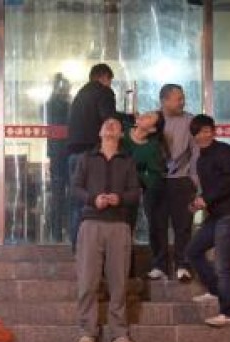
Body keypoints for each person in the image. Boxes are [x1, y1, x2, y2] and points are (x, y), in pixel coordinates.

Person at [72, 116, 140, 342]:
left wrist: (119, 198)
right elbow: (75, 188)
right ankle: (87, 333)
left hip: (119, 225)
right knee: (87, 281)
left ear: (121, 134)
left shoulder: (128, 161)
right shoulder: (86, 159)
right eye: (106, 124)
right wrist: (93, 199)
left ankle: (119, 334)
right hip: (91, 223)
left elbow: (135, 193)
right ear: (100, 132)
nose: (110, 126)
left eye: (116, 125)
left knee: (119, 283)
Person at [185, 115, 230, 328]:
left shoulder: (224, 151)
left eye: (210, 129)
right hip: (216, 215)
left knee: (223, 263)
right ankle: (214, 290)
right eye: (202, 131)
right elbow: (209, 189)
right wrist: (198, 202)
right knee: (193, 251)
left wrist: (207, 198)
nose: (208, 134)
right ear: (194, 136)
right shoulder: (201, 159)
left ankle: (228, 312)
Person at [66, 63, 118, 253]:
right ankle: (90, 249)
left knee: (77, 202)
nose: (110, 84)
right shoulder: (103, 92)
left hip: (72, 155)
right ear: (104, 77)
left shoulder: (79, 95)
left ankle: (76, 247)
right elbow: (109, 120)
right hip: (91, 154)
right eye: (110, 80)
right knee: (93, 203)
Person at [150, 84, 198, 283]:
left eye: (183, 98)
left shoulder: (190, 121)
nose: (182, 102)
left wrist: (195, 181)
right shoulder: (151, 119)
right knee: (157, 225)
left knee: (183, 226)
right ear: (164, 101)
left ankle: (183, 265)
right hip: (156, 181)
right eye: (178, 98)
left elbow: (196, 153)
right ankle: (159, 265)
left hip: (182, 181)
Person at [122, 110, 168, 247]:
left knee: (129, 227)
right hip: (111, 185)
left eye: (148, 117)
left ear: (153, 129)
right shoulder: (123, 130)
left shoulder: (152, 147)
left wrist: (138, 178)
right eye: (144, 114)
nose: (142, 116)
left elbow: (155, 175)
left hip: (131, 191)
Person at [43, 73, 72, 243]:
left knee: (57, 195)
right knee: (69, 194)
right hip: (66, 153)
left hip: (55, 154)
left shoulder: (48, 105)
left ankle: (56, 233)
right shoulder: (65, 105)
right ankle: (66, 231)